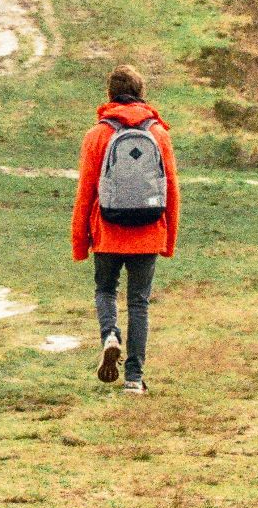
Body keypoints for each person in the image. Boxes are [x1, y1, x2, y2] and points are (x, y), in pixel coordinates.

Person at [70, 65, 179, 394]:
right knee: (139, 303)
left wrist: (80, 242)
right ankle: (133, 378)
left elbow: (85, 193)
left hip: (107, 229)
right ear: (142, 91)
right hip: (148, 231)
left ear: (109, 95)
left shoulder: (96, 135)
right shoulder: (159, 134)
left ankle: (110, 336)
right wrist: (168, 239)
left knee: (105, 291)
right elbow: (171, 189)